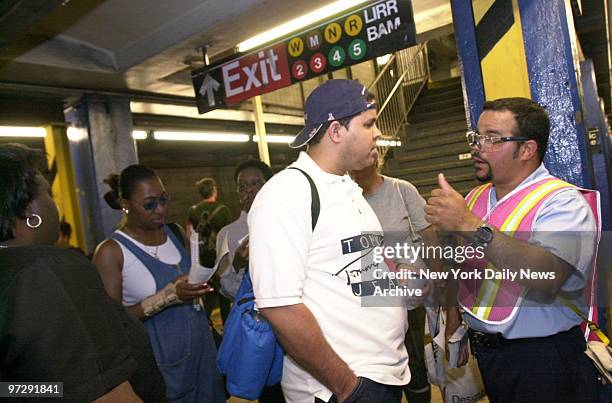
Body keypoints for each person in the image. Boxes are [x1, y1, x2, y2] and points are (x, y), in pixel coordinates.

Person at [425, 98, 601, 402]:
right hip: (492, 357)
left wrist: (466, 223)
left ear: (527, 149)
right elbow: (461, 262)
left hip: (544, 361)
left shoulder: (562, 202)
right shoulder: (475, 198)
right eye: (476, 137)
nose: (477, 147)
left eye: (491, 138)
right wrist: (454, 313)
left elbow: (547, 274)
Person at [248, 79, 413, 403]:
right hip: (338, 388)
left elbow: (361, 277)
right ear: (336, 131)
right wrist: (347, 387)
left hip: (382, 374)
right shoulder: (286, 195)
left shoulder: (347, 189)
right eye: (368, 124)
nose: (377, 133)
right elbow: (279, 306)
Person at [0, 143, 166, 402]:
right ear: (28, 210)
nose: (55, 206)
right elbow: (107, 392)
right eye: (48, 193)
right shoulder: (47, 272)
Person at [93, 165, 226, 403]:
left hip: (204, 360)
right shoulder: (112, 252)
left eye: (163, 199)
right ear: (124, 204)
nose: (161, 209)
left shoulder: (175, 233)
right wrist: (165, 298)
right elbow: (110, 325)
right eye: (150, 204)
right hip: (163, 369)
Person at [351, 162, 435, 403]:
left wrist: (437, 279)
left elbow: (429, 237)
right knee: (379, 369)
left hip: (408, 296)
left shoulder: (401, 190)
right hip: (370, 298)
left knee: (414, 363)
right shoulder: (346, 199)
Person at [216, 159, 284, 403]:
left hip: (290, 322)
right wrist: (239, 264)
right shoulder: (229, 233)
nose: (249, 191)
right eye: (242, 187)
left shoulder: (288, 221)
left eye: (255, 184)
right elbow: (228, 289)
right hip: (257, 328)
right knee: (265, 388)